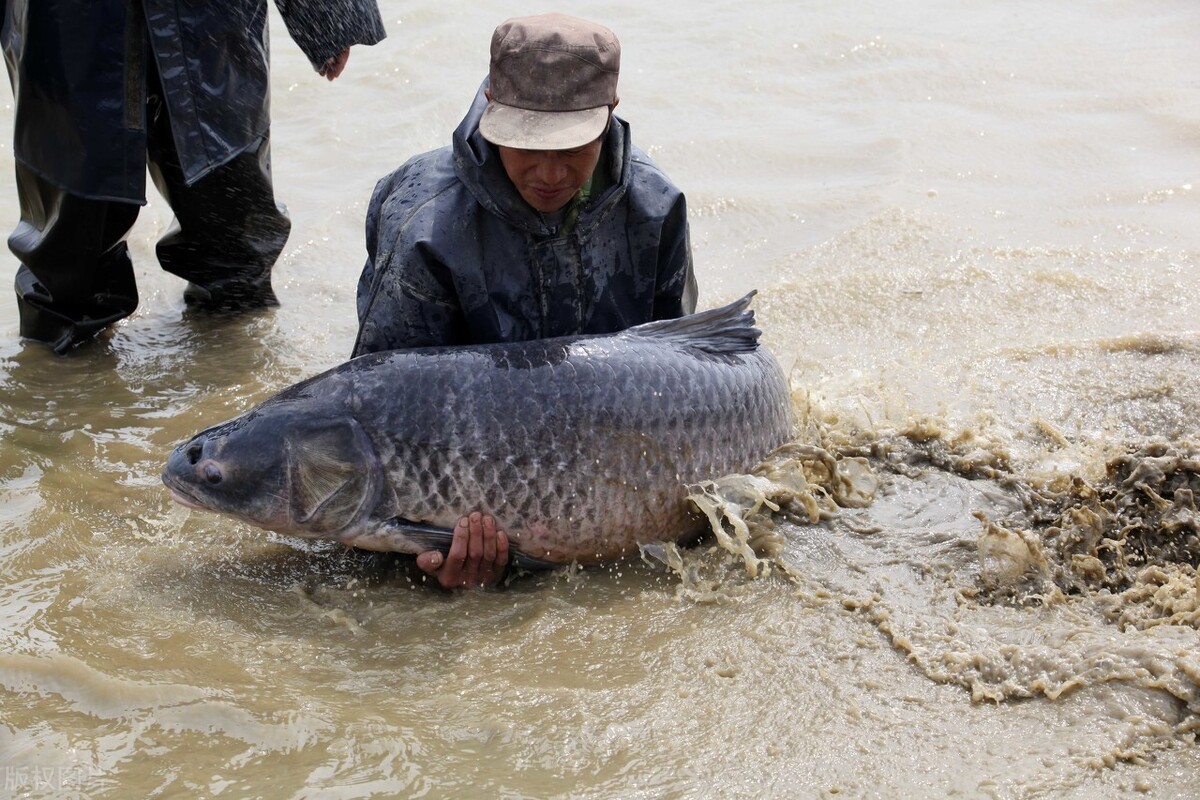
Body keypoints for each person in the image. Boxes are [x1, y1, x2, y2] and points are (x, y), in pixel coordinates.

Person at [352, 13, 698, 589]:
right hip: (467, 462)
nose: (549, 172)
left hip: (609, 447)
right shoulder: (422, 224)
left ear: (610, 112)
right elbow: (383, 405)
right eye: (526, 145)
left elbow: (679, 367)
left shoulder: (655, 206)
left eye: (572, 148)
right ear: (490, 106)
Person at [2, 0, 386, 354]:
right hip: (64, 21)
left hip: (208, 21)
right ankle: (57, 398)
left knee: (233, 233)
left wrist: (326, 17)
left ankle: (234, 379)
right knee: (67, 255)